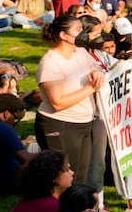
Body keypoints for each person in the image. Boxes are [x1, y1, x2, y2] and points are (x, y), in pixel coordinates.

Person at [33, 15, 112, 196]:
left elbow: (92, 67)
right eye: (78, 30)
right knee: (61, 179)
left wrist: (96, 74)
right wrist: (90, 88)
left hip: (83, 123)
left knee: (78, 177)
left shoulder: (80, 52)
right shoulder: (50, 63)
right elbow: (57, 103)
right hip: (60, 124)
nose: (82, 34)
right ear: (63, 35)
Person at [0, 92, 30, 196]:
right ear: (6, 114)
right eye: (15, 119)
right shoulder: (3, 128)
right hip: (3, 185)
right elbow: (26, 160)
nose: (15, 123)